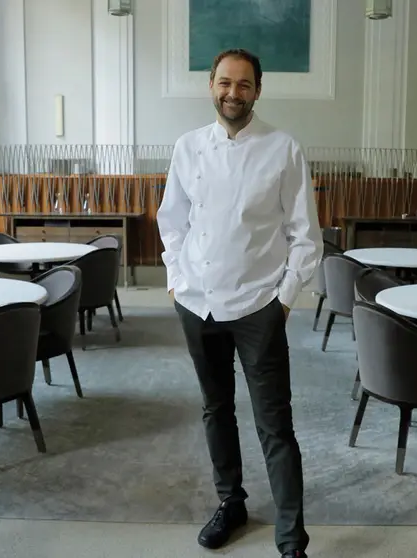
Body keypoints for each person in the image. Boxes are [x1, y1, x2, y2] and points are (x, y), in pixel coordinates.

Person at [156, 48, 322, 558]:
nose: (233, 92)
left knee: (275, 424)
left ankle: (292, 540)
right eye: (225, 82)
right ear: (211, 85)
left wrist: (284, 300)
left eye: (244, 84)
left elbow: (306, 236)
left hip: (258, 307)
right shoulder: (187, 148)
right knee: (215, 409)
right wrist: (177, 280)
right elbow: (173, 222)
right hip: (197, 304)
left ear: (258, 90)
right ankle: (231, 502)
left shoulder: (283, 149)